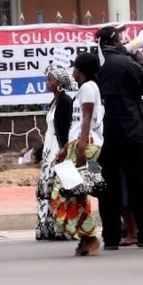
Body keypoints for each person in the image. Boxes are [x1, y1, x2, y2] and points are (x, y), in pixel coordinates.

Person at [94, 26, 143, 249]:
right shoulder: (124, 62)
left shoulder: (97, 63)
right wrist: (140, 59)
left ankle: (111, 238)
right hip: (129, 131)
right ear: (115, 41)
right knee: (137, 186)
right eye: (121, 38)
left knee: (107, 188)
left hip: (105, 135)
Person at [52, 52, 104, 256]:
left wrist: (81, 147)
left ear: (80, 70)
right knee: (78, 193)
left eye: (74, 67)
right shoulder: (84, 89)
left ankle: (90, 237)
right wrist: (66, 148)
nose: (72, 71)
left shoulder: (88, 88)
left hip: (86, 145)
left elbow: (87, 117)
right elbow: (77, 122)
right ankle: (87, 237)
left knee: (66, 190)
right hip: (78, 144)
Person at [37, 61, 75, 241]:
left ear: (59, 82)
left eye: (50, 79)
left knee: (57, 190)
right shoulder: (55, 100)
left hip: (57, 150)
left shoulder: (65, 101)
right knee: (46, 188)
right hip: (49, 148)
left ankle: (60, 228)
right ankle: (48, 227)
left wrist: (63, 152)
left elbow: (65, 130)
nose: (47, 82)